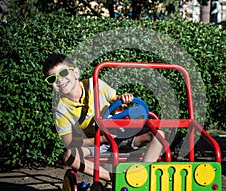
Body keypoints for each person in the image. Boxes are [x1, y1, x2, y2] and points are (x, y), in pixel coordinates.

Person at [42, 54, 164, 182]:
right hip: (96, 143)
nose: (59, 80)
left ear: (76, 73)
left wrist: (123, 98)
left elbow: (116, 99)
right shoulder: (61, 109)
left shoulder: (95, 85)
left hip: (119, 134)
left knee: (158, 135)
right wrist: (103, 139)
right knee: (70, 156)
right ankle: (114, 178)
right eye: (52, 79)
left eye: (63, 73)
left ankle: (140, 174)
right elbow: (70, 142)